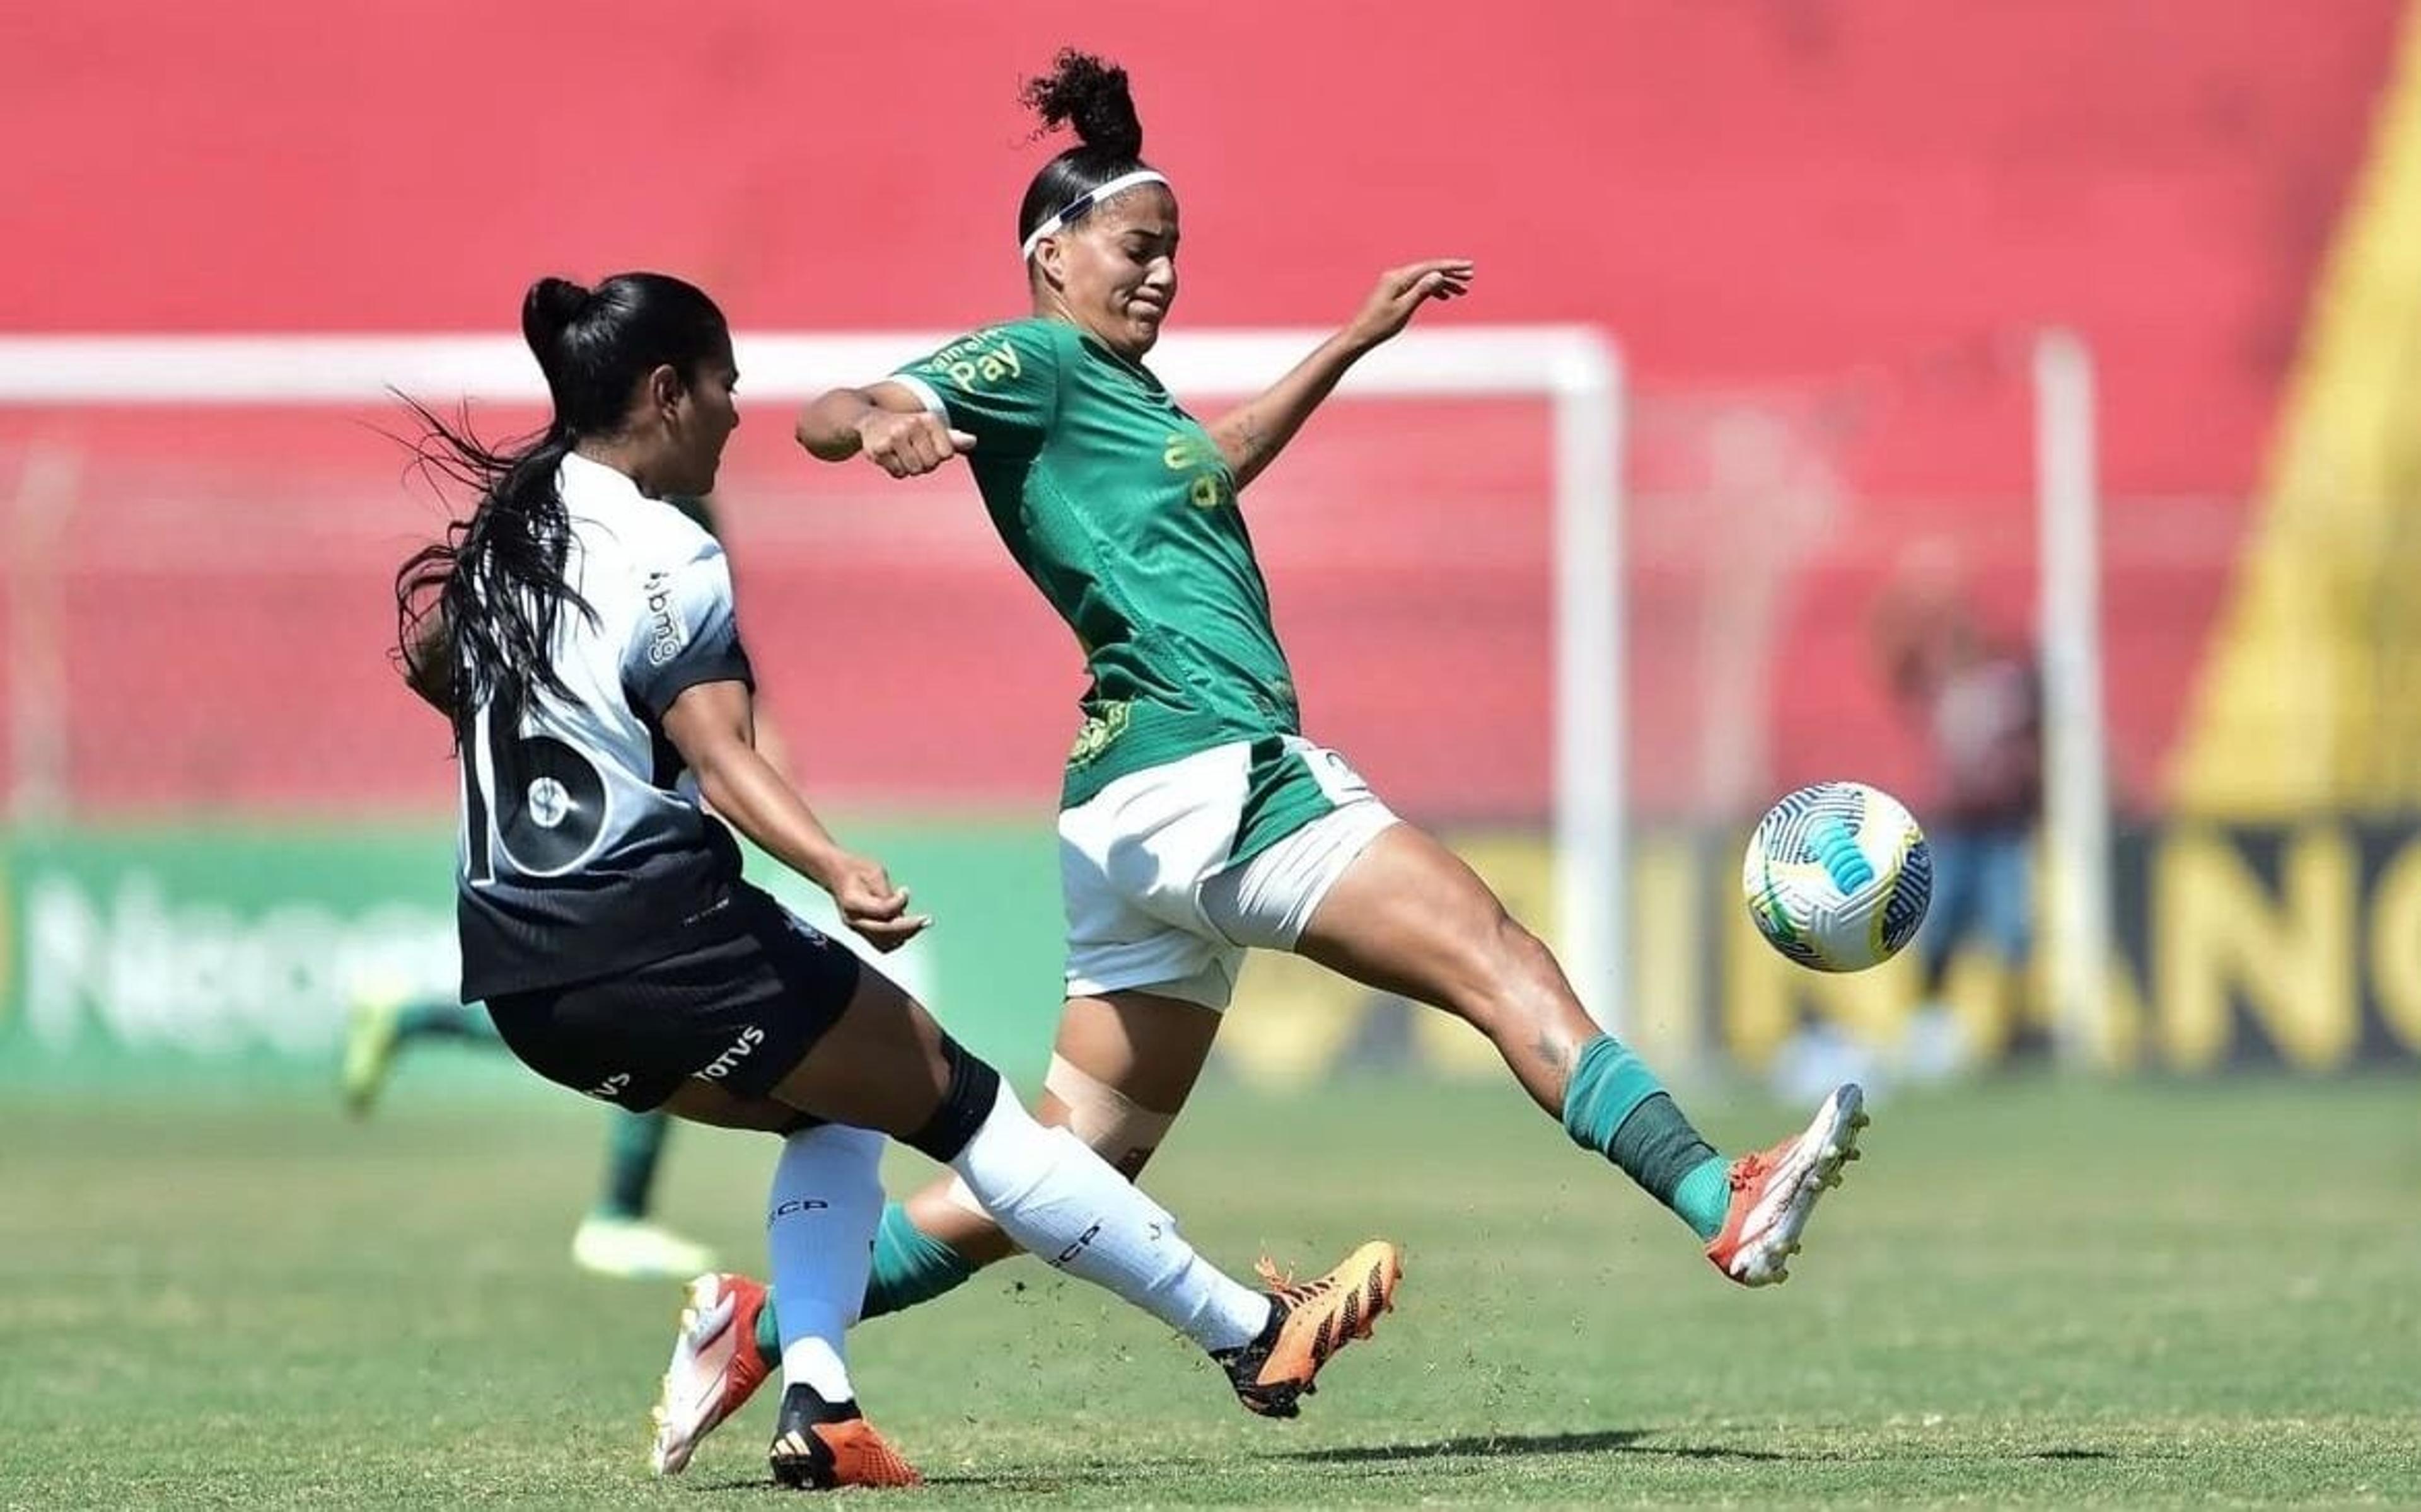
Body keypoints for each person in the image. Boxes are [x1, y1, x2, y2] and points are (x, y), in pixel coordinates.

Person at [648, 49, 1872, 1468]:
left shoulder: (1134, 408)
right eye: (1138, 249)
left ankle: (774, 1325)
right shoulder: (1037, 359)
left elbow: (1208, 465)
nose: (1163, 275)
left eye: (1176, 253)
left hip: (1127, 815)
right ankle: (1717, 1191)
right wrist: (891, 420)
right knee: (1494, 949)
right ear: (1053, 255)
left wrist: (1348, 344)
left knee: (1068, 1169)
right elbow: (835, 408)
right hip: (1213, 766)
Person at [392, 270, 1403, 1489]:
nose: (733, 413)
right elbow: (723, 758)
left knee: (836, 1102)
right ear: (665, 393)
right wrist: (831, 863)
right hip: (655, 927)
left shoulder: (519, 523)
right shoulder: (672, 550)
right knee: (964, 1103)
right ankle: (1249, 1332)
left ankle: (817, 1396)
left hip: (521, 976)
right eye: (723, 387)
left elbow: (433, 662)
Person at [340, 492, 758, 1286]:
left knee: (605, 1017)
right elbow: (718, 742)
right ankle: (618, 1214)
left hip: (546, 847)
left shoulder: (564, 573)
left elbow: (435, 662)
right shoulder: (659, 578)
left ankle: (414, 1016)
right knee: (656, 1017)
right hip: (606, 861)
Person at [1870, 540, 2044, 1066]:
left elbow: (2034, 740)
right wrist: (1908, 603)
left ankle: (2014, 1038)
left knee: (2011, 932)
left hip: (2002, 828)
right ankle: (1928, 1028)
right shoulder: (1941, 681)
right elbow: (1894, 663)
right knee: (1937, 929)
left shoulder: (2006, 682)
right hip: (1952, 829)